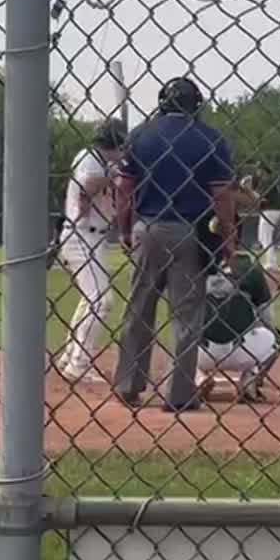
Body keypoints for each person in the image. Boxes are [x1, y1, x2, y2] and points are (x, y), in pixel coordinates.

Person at [113, 76, 236, 412]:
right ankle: (179, 395)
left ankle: (128, 385)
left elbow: (125, 189)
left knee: (139, 307)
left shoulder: (141, 134)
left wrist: (124, 229)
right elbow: (222, 196)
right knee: (186, 316)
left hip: (147, 227)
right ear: (196, 104)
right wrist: (229, 238)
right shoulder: (210, 139)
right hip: (191, 231)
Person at [55, 119, 128, 383]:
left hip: (93, 237)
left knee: (91, 298)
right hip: (81, 235)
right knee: (101, 299)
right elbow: (88, 186)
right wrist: (116, 174)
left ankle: (70, 355)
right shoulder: (90, 158)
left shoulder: (102, 160)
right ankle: (79, 364)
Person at [198, 249, 280, 402]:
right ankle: (249, 380)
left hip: (200, 352)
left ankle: (198, 378)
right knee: (275, 338)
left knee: (181, 337)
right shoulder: (251, 269)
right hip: (243, 351)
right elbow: (267, 318)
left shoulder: (193, 264)